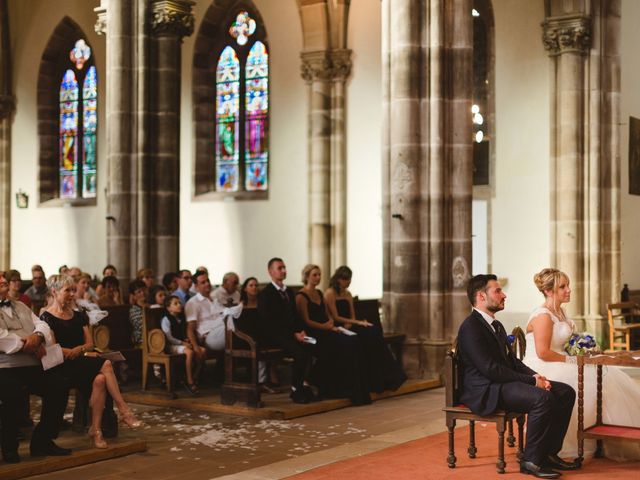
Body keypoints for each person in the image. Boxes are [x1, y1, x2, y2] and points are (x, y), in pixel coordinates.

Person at [458, 274, 577, 479]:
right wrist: (532, 382)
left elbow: (512, 362)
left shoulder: (495, 325)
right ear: (481, 296)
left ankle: (549, 453)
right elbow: (490, 370)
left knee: (565, 392)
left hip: (501, 382)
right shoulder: (471, 327)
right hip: (486, 389)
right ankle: (531, 460)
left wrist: (537, 375)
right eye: (497, 291)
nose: (504, 295)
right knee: (542, 398)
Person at [523, 268, 640, 461]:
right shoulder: (543, 315)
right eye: (562, 287)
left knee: (608, 375)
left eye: (568, 285)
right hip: (542, 365)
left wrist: (583, 349)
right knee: (593, 382)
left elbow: (565, 344)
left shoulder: (560, 311)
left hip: (560, 359)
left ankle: (608, 436)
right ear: (548, 291)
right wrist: (572, 359)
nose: (569, 289)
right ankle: (583, 440)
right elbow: (543, 352)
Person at [41, 274, 141, 449]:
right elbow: (53, 347)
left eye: (73, 290)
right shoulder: (46, 317)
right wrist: (71, 352)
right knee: (107, 364)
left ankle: (96, 430)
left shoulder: (79, 316)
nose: (72, 294)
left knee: (101, 379)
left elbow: (89, 343)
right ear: (54, 291)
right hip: (61, 365)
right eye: (67, 290)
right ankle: (124, 410)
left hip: (79, 360)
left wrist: (77, 350)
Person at [0, 271, 70, 463]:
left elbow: (43, 325)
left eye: (4, 278)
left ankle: (42, 441)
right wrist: (30, 346)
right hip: (5, 368)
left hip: (32, 365)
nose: (4, 281)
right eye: (0, 279)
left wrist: (37, 337)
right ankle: (9, 448)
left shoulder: (20, 305)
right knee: (11, 394)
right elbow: (3, 339)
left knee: (59, 385)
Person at [296, 264, 371, 405]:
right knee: (332, 347)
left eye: (319, 275)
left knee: (351, 341)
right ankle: (311, 380)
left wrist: (331, 325)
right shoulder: (301, 296)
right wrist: (326, 327)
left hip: (325, 331)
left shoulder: (319, 293)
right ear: (306, 277)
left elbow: (327, 315)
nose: (318, 277)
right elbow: (306, 321)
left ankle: (348, 388)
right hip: (309, 336)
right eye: (314, 275)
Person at [324, 266, 406, 392]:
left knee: (373, 331)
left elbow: (351, 315)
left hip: (349, 324)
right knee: (366, 333)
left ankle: (386, 378)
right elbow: (335, 317)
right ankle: (376, 380)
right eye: (346, 279)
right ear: (339, 279)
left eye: (350, 279)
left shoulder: (348, 294)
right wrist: (357, 322)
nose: (348, 282)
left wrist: (355, 323)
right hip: (338, 327)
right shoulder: (330, 293)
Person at [258, 258, 315, 404]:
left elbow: (295, 315)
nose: (283, 271)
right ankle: (296, 389)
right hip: (274, 335)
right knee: (300, 354)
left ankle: (305, 385)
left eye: (284, 267)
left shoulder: (288, 291)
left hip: (290, 334)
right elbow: (268, 322)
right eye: (279, 268)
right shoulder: (266, 294)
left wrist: (301, 330)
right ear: (270, 271)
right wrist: (293, 334)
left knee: (314, 346)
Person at [161, 295, 204, 394]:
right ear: (168, 308)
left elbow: (183, 332)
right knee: (189, 352)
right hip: (171, 345)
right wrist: (182, 343)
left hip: (182, 344)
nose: (179, 305)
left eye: (179, 303)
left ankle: (195, 376)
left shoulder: (181, 318)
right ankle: (190, 380)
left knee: (202, 350)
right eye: (175, 303)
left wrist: (187, 340)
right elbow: (169, 338)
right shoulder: (166, 319)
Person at [185, 271, 225, 354]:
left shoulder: (215, 300)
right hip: (209, 337)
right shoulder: (193, 303)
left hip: (221, 332)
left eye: (208, 281)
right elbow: (190, 329)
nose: (207, 284)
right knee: (231, 326)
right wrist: (196, 347)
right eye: (203, 282)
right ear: (196, 286)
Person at [128, 279, 147, 346]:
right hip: (141, 341)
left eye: (144, 290)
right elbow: (140, 326)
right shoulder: (134, 310)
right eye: (139, 292)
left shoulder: (151, 306)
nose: (143, 293)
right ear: (134, 296)